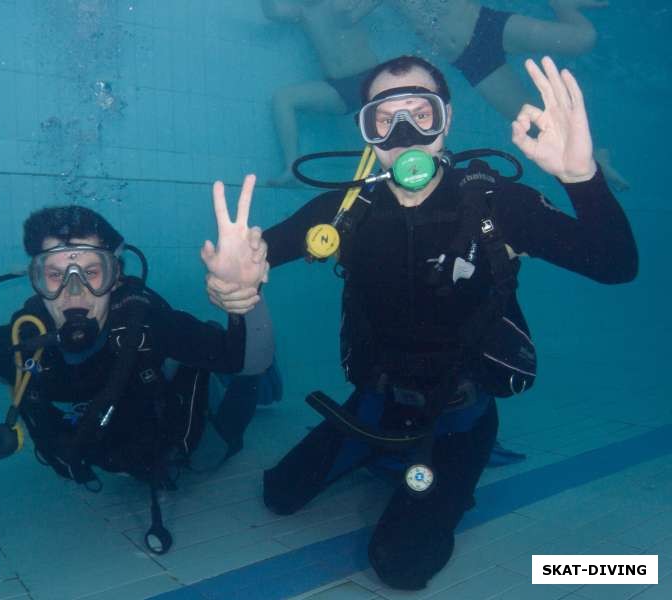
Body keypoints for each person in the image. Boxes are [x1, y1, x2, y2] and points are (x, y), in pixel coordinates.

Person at [202, 54, 637, 589]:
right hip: (374, 403)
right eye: (384, 118)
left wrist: (581, 178)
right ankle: (383, 452)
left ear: (445, 120)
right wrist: (233, 283)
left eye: (421, 112)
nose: (404, 131)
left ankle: (455, 459)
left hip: (459, 414)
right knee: (279, 494)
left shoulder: (495, 203)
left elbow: (616, 265)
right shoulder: (344, 212)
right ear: (368, 132)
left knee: (403, 566)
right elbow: (254, 259)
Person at [0, 202, 273, 554]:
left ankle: (260, 388)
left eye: (91, 272)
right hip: (119, 458)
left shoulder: (149, 328)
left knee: (231, 420)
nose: (74, 292)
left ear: (115, 277)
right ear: (37, 280)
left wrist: (245, 297)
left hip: (186, 439)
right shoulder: (17, 348)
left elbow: (245, 360)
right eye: (55, 275)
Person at [388, 0, 630, 190]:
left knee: (584, 39)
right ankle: (593, 157)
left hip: (487, 25)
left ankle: (562, 5)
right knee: (534, 122)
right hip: (470, 62)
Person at [262, 0, 381, 186]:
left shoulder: (340, 4)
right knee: (283, 98)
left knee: (386, 125)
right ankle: (292, 167)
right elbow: (273, 12)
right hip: (337, 89)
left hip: (371, 79)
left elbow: (359, 11)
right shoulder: (302, 11)